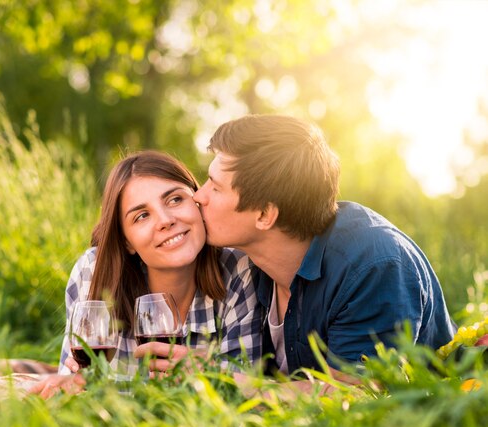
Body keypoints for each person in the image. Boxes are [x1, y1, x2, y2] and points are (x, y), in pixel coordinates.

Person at [192, 114, 456, 385]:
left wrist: (223, 380)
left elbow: (351, 395)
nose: (199, 196)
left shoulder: (372, 264)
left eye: (215, 187)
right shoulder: (246, 265)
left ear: (264, 214)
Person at [31, 150, 263, 398]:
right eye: (142, 216)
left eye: (175, 199)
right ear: (126, 241)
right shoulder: (94, 270)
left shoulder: (238, 270)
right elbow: (73, 385)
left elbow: (246, 398)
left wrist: (211, 374)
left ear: (198, 201)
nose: (165, 220)